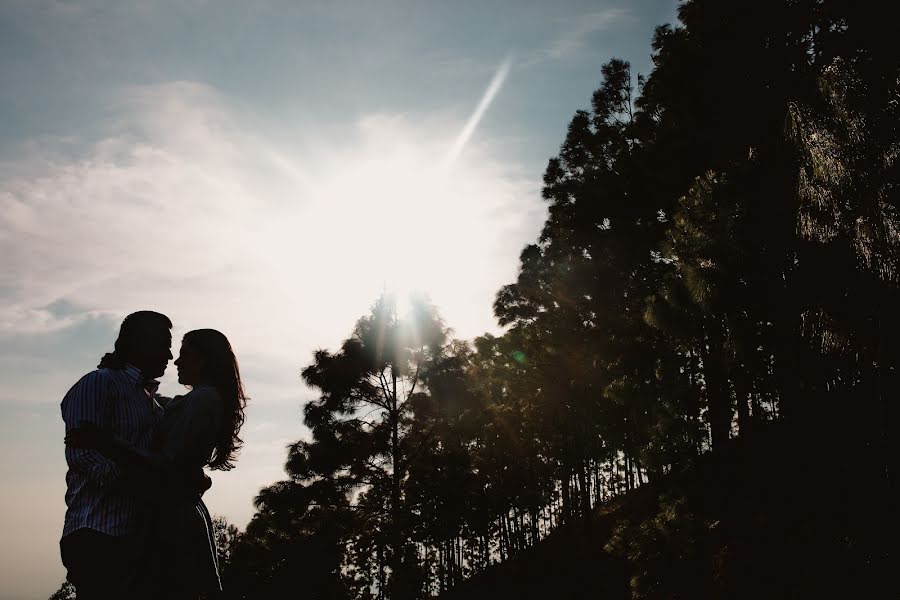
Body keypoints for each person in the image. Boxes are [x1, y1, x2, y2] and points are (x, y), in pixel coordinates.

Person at [67, 328, 248, 600]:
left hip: (173, 519)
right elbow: (160, 408)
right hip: (173, 512)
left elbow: (165, 464)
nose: (176, 360)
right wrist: (131, 380)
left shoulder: (203, 399)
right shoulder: (199, 400)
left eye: (185, 354)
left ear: (204, 360)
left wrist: (106, 443)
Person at [60, 310, 174, 600]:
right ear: (140, 343)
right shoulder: (98, 383)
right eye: (164, 344)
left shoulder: (153, 402)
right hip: (97, 532)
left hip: (136, 538)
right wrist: (150, 483)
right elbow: (87, 459)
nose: (170, 356)